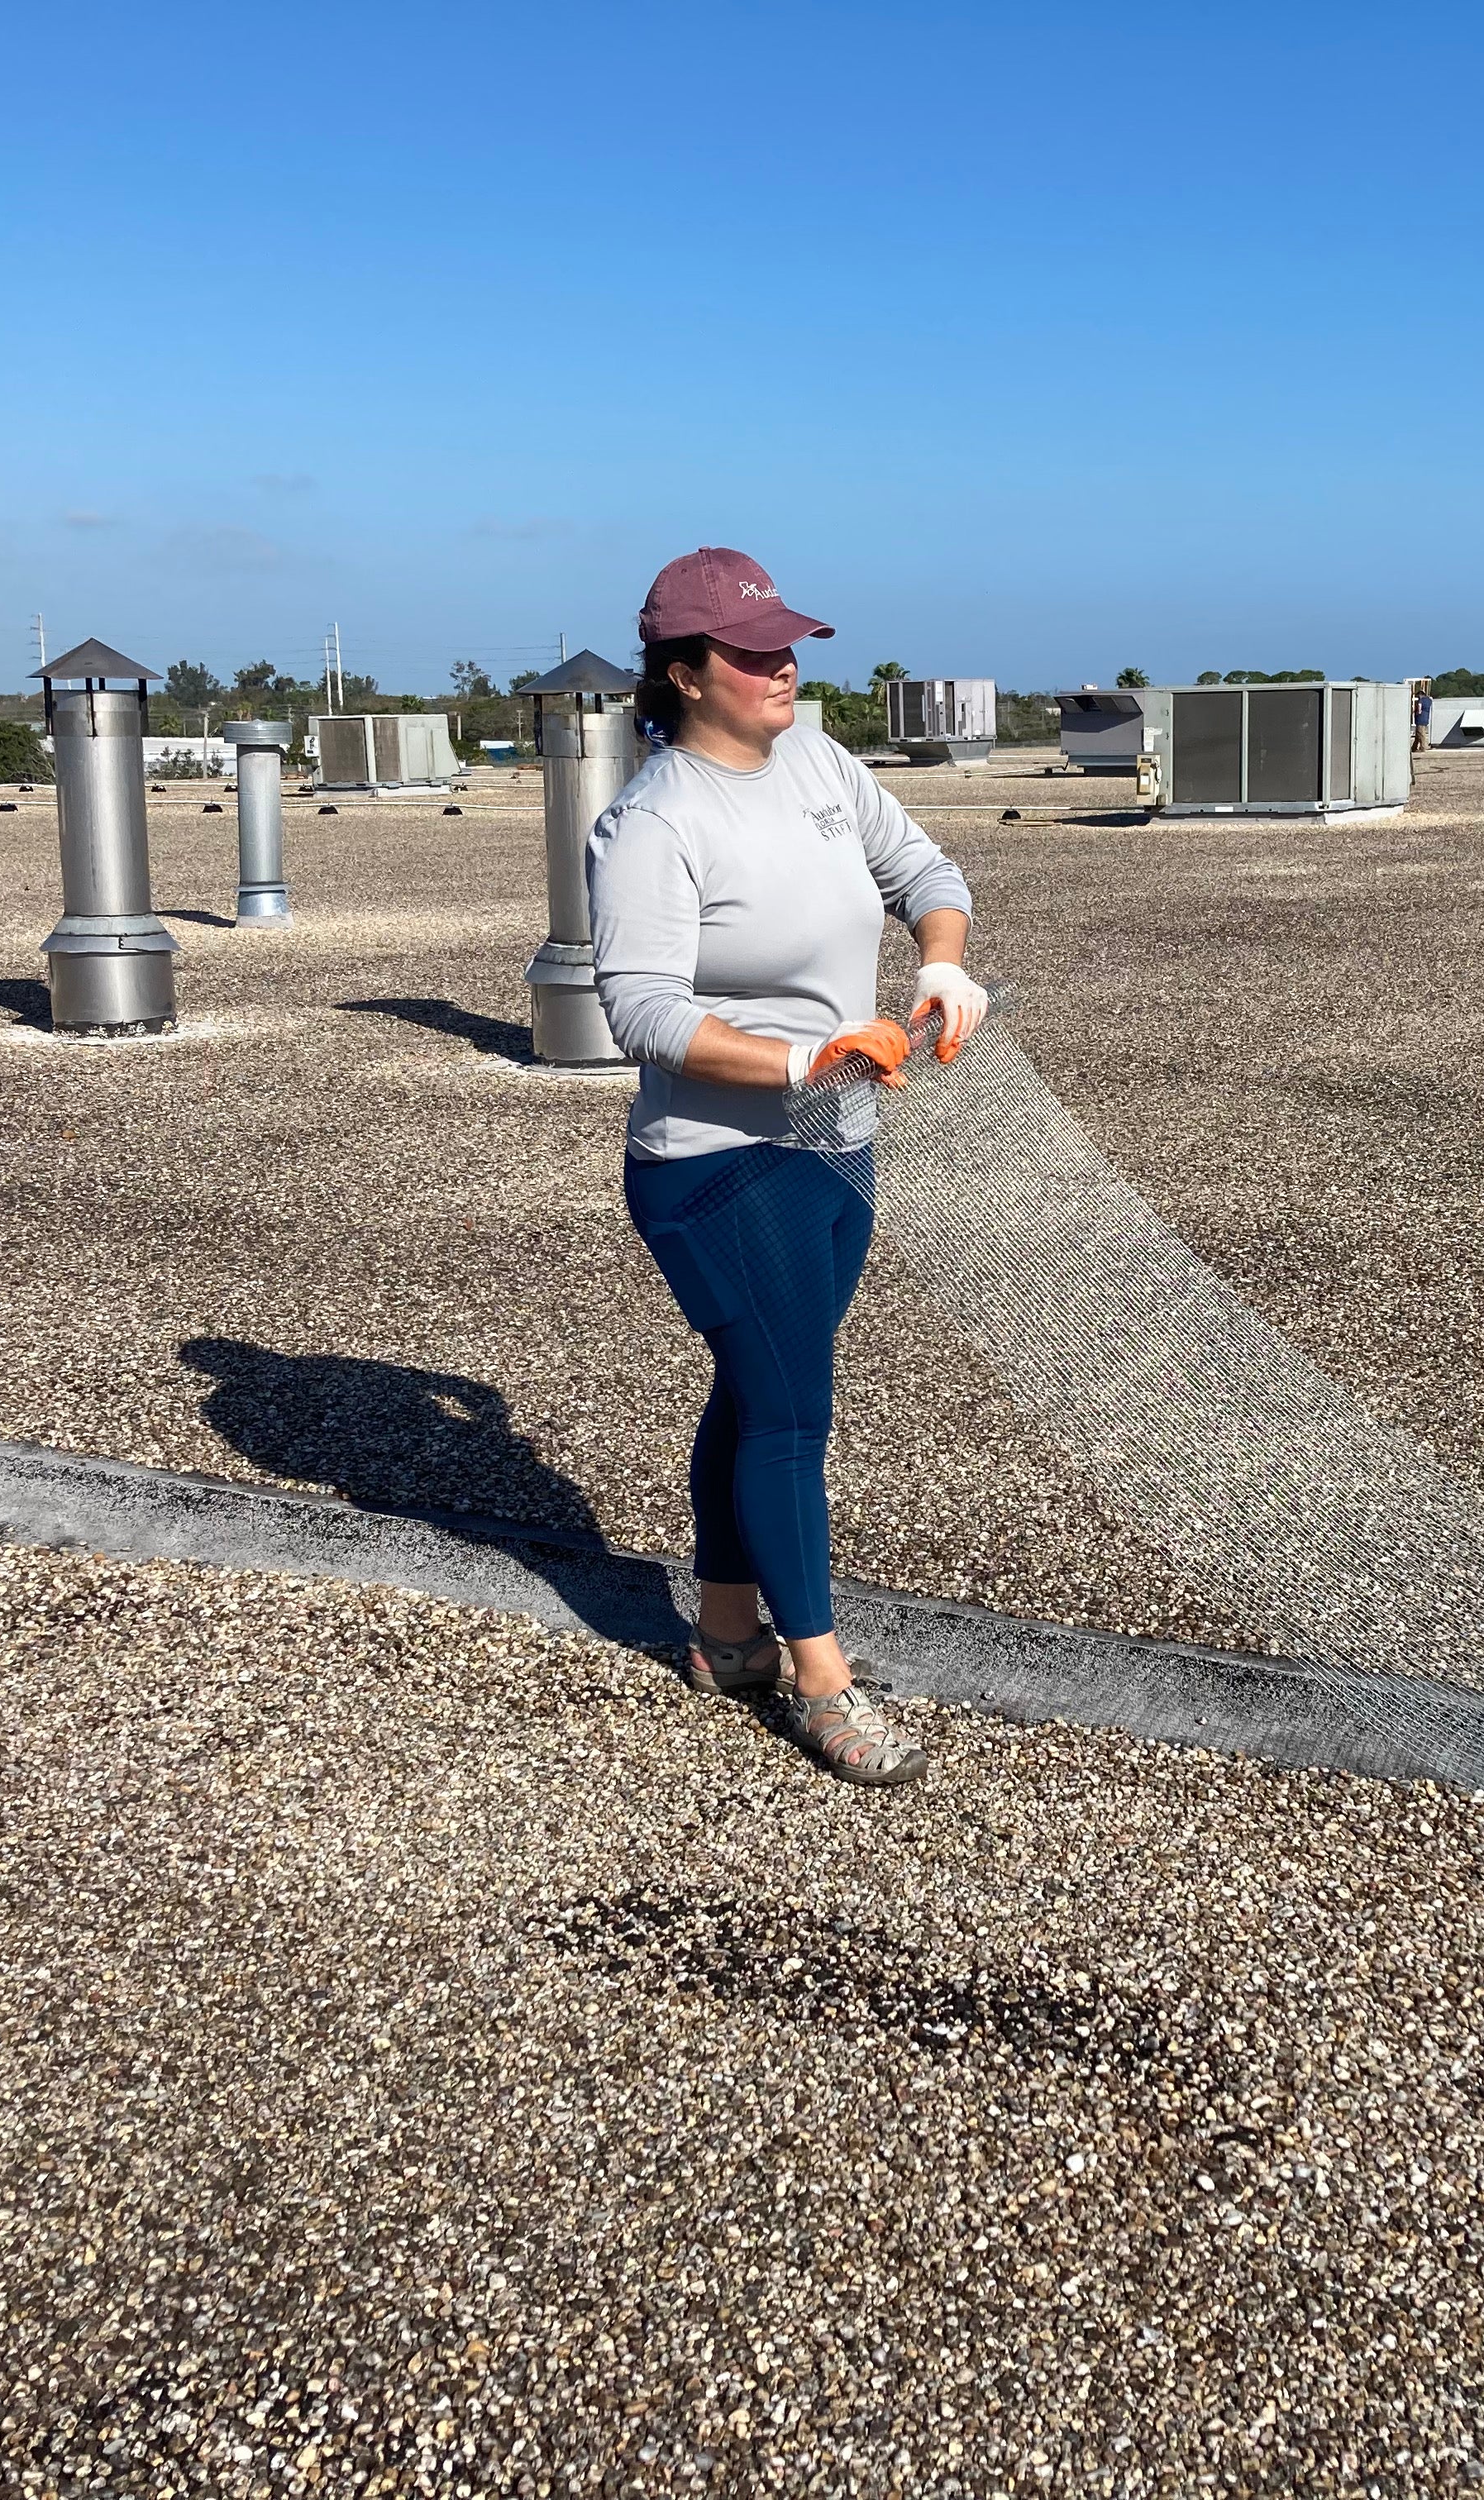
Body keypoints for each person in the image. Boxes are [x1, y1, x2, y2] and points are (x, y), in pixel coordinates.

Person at [587, 549, 988, 1787]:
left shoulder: (819, 763)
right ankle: (819, 1677)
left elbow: (924, 869)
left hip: (835, 1142)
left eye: (789, 646)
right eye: (755, 654)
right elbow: (640, 1010)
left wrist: (940, 959)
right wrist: (809, 1052)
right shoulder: (656, 818)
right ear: (683, 674)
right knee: (793, 1412)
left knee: (761, 1387)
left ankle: (721, 1634)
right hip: (715, 1162)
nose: (785, 671)